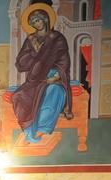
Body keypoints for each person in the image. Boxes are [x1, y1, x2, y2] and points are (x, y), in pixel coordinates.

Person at [12, 4, 73, 144]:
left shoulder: (57, 38)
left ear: (45, 19)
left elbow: (64, 60)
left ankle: (42, 128)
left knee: (53, 91)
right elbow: (20, 64)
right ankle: (29, 131)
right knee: (18, 96)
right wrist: (34, 53)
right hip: (35, 78)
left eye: (38, 20)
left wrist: (56, 76)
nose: (36, 24)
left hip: (54, 77)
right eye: (33, 22)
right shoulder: (31, 40)